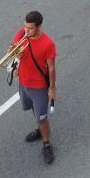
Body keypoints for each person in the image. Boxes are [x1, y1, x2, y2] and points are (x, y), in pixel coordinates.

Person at [11, 11, 57, 165]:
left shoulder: (47, 44)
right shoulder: (23, 33)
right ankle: (39, 128)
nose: (26, 31)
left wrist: (52, 88)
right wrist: (13, 52)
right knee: (33, 110)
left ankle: (46, 143)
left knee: (42, 118)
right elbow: (12, 49)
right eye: (25, 27)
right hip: (24, 83)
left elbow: (51, 68)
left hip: (39, 87)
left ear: (38, 27)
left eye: (30, 28)